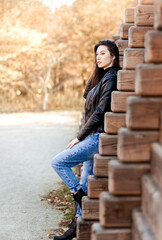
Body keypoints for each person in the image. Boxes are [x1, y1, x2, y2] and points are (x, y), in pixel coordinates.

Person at [51, 39, 120, 240]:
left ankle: (79, 196)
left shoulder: (112, 77)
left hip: (97, 136)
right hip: (93, 135)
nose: (98, 57)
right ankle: (77, 228)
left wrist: (79, 137)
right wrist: (96, 69)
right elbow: (85, 95)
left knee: (58, 162)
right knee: (84, 180)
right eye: (96, 54)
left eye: (103, 54)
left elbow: (99, 112)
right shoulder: (102, 76)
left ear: (113, 56)